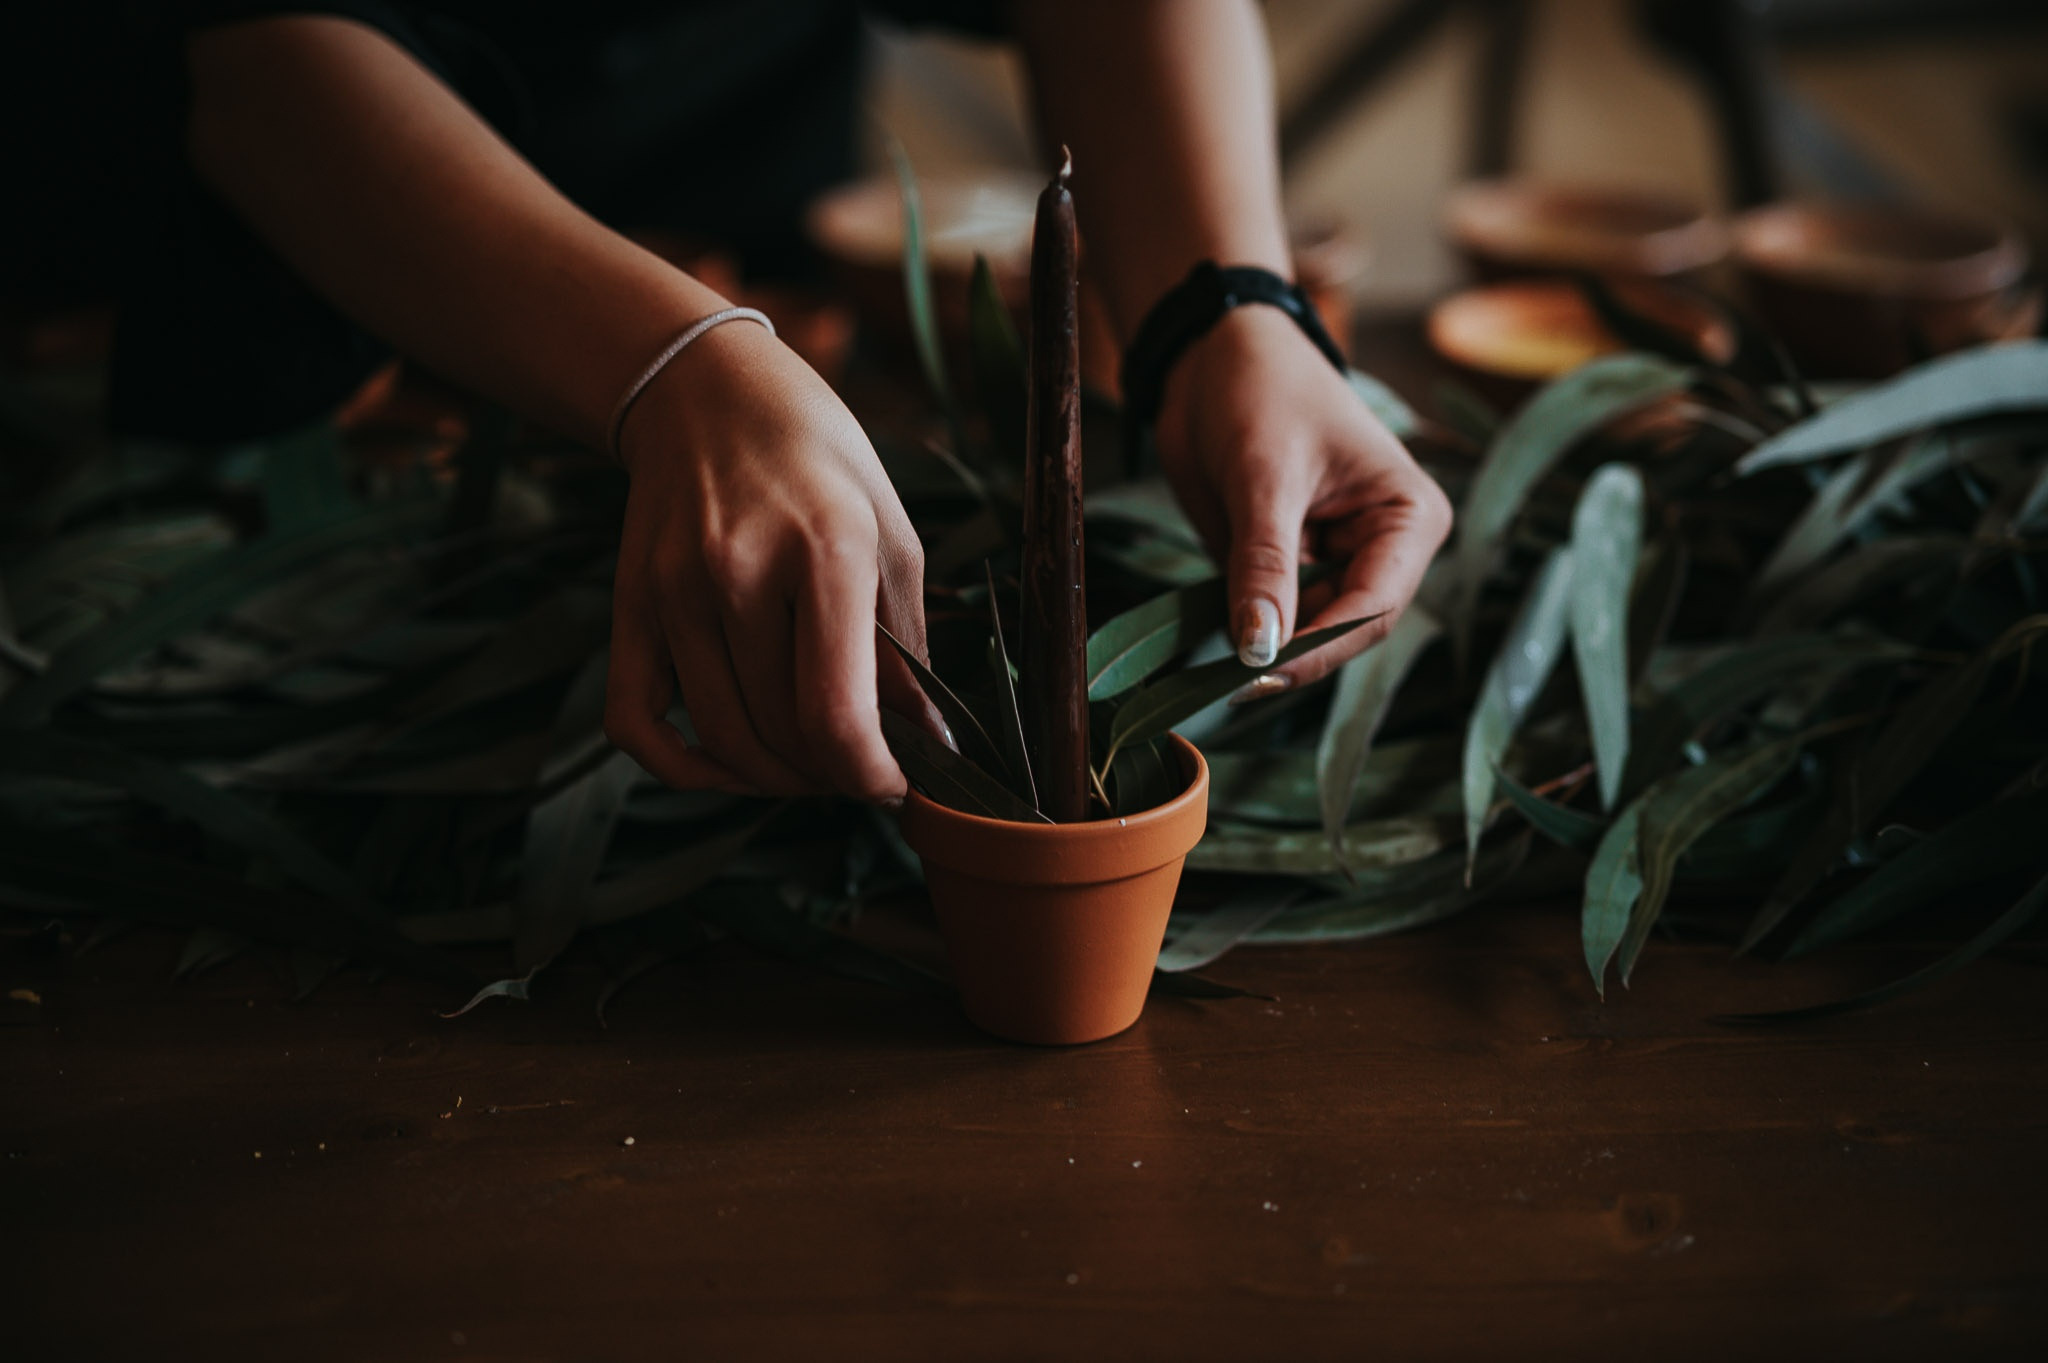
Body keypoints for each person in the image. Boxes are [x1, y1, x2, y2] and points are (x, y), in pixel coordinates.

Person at [63, 0, 1453, 806]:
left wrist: (1224, 311)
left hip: (746, 247)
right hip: (299, 329)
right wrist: (668, 365)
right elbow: (255, 60)